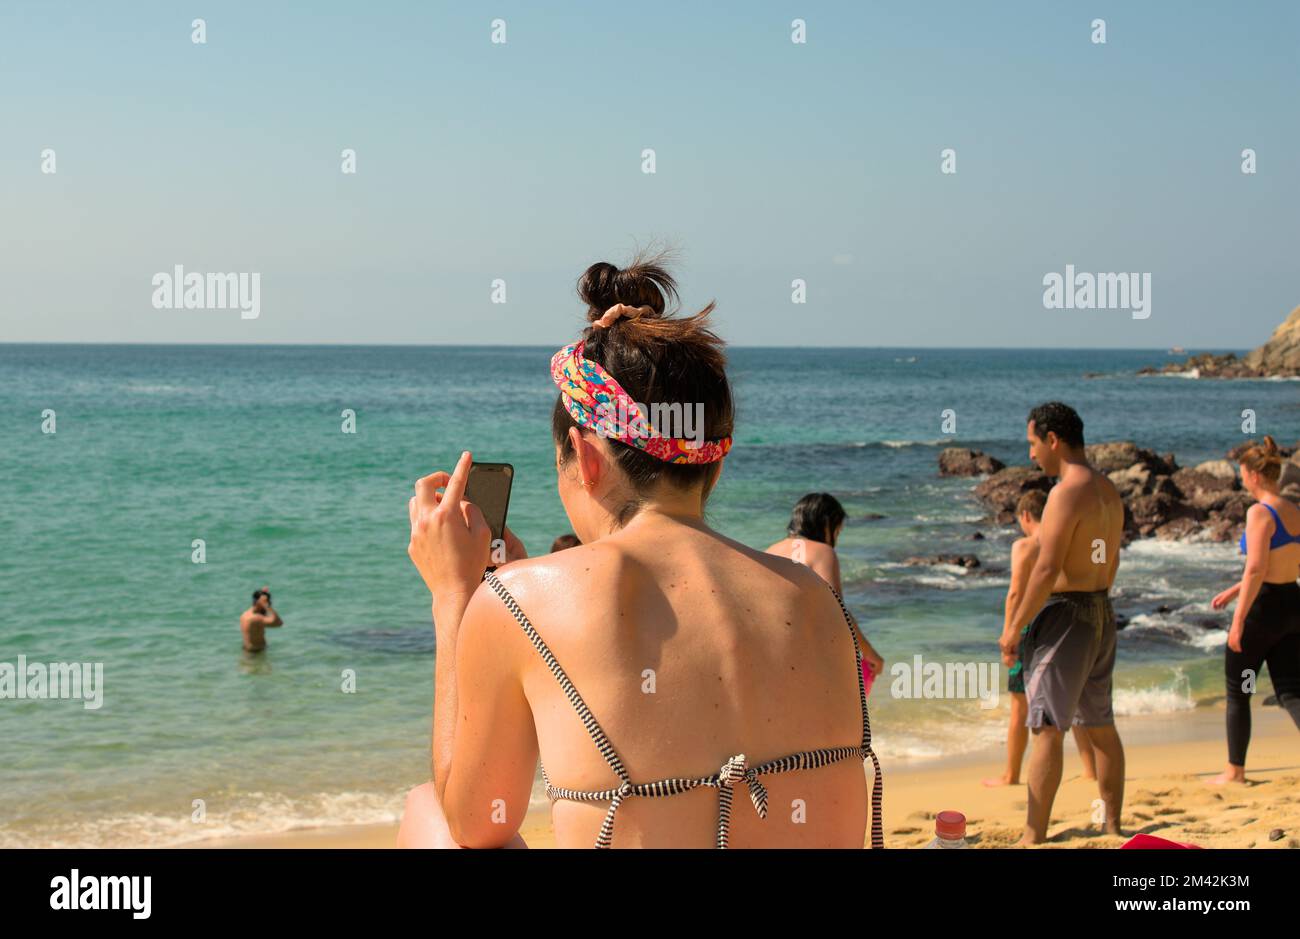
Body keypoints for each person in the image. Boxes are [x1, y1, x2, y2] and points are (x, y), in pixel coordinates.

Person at [398, 254, 882, 849]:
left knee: (430, 812)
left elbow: (474, 822)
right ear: (716, 461)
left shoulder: (519, 601)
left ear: (587, 457)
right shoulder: (815, 598)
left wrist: (456, 597)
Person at [999, 402, 1125, 845]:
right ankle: (1112, 826)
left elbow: (1047, 568)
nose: (1031, 453)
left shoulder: (1065, 492)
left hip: (1067, 615)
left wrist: (1014, 627)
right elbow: (1109, 561)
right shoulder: (1109, 490)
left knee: (1047, 726)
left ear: (1052, 439)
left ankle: (1033, 835)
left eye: (1033, 443)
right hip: (1101, 611)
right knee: (1101, 724)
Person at [984, 490, 1097, 787]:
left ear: (1025, 516)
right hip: (1061, 626)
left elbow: (1015, 594)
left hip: (1027, 629)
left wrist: (1008, 634)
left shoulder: (1024, 546)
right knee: (1069, 699)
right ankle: (1089, 769)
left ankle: (1011, 774)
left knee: (1019, 704)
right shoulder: (1063, 543)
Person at [1208, 435, 1300, 784]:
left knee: (1239, 690)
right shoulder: (1293, 510)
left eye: (1242, 473)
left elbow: (1257, 567)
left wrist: (1238, 619)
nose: (1242, 480)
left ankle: (1235, 771)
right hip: (1293, 602)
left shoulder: (1259, 512)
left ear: (1255, 475)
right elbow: (1287, 562)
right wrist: (1235, 591)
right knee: (1292, 692)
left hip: (1264, 611)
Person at [766, 493, 884, 677]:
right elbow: (837, 609)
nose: (836, 539)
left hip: (770, 651)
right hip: (805, 656)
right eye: (838, 532)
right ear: (827, 525)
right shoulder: (823, 551)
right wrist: (869, 653)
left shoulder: (770, 551)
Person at [240, 587, 282, 652]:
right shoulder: (256, 618)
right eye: (268, 602)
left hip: (248, 651)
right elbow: (279, 623)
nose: (270, 603)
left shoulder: (245, 614)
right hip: (256, 654)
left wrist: (262, 594)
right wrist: (267, 606)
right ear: (259, 603)